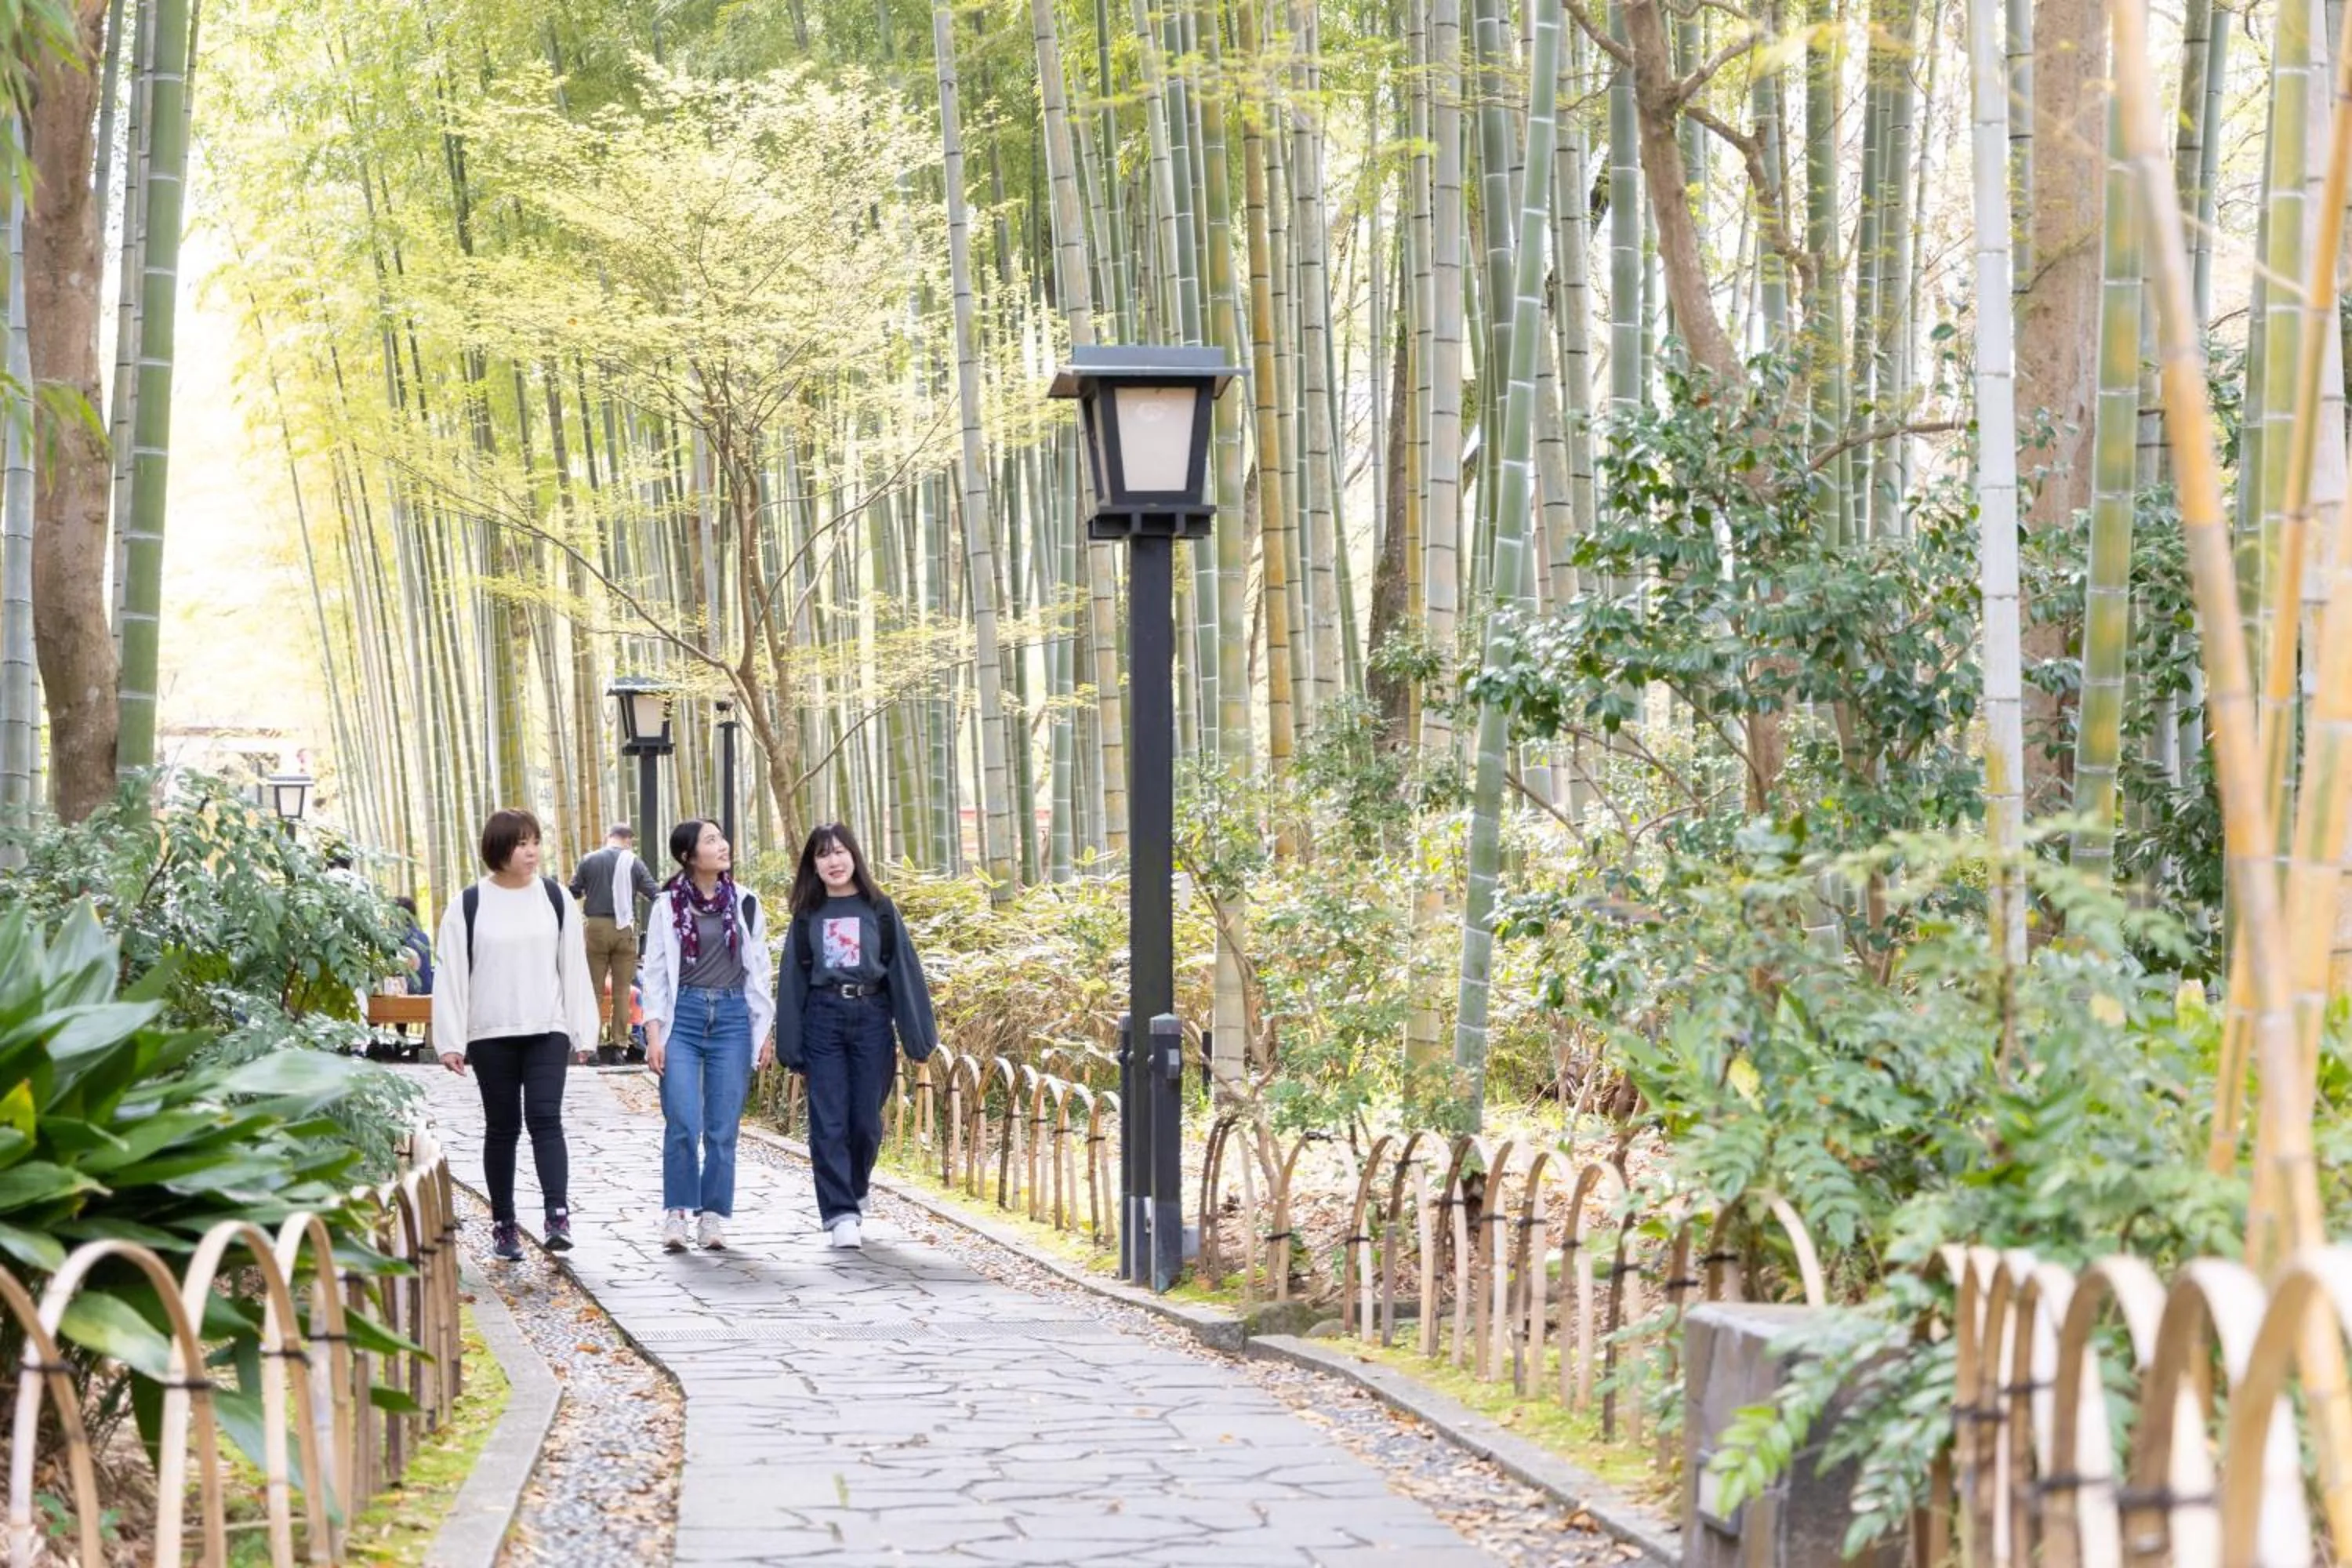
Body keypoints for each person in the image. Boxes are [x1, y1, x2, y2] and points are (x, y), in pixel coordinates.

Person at [433, 808, 601, 1262]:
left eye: (535, 841)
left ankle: (557, 1216)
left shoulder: (555, 897)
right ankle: (504, 1223)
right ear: (498, 849)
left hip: (547, 1026)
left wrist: (584, 1031)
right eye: (521, 843)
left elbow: (573, 966)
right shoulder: (468, 903)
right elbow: (452, 974)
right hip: (491, 1032)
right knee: (502, 1127)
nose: (531, 851)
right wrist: (450, 1039)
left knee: (546, 1117)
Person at [776, 822, 936, 1251]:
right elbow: (792, 978)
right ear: (813, 864)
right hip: (823, 1018)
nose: (833, 861)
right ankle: (840, 1212)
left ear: (854, 856)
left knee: (865, 1120)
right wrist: (789, 1044)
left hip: (871, 1016)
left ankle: (855, 1186)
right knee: (828, 1120)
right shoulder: (808, 913)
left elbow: (904, 970)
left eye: (840, 851)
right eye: (823, 854)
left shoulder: (879, 909)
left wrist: (918, 1036)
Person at [639, 819, 775, 1254]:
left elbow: (760, 973)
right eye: (711, 840)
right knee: (683, 1119)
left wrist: (763, 1030)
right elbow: (656, 974)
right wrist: (654, 1034)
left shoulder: (746, 902)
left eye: (721, 838)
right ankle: (677, 1212)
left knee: (722, 1127)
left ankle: (712, 1215)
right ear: (689, 856)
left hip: (733, 1016)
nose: (723, 846)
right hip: (685, 1016)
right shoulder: (667, 906)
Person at [568, 824, 662, 1066]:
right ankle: (619, 1048)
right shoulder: (633, 862)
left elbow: (574, 891)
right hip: (624, 931)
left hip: (596, 929)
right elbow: (654, 893)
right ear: (628, 840)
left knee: (594, 991)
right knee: (622, 991)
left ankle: (592, 1048)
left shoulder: (589, 860)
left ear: (608, 837)